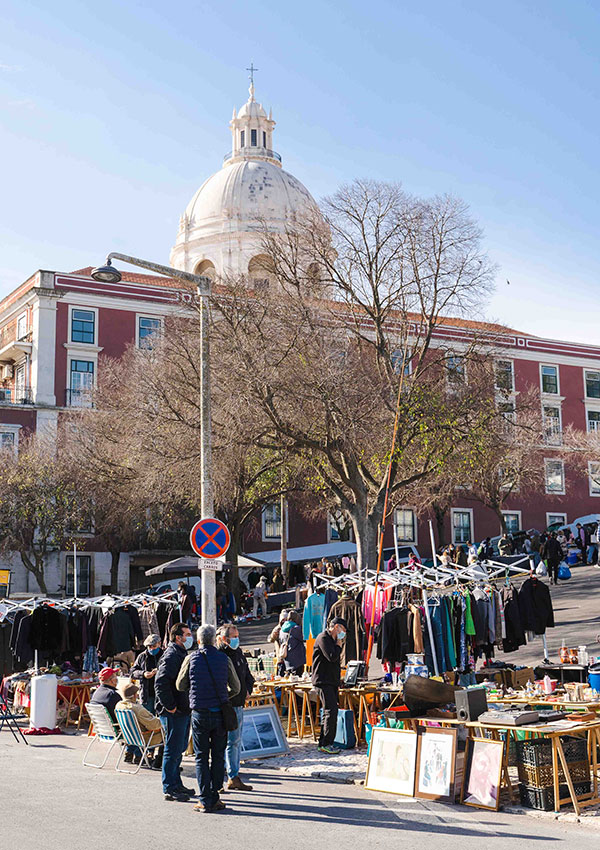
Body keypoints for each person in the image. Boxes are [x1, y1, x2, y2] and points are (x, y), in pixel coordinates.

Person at [176, 625, 240, 813]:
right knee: (218, 755)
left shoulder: (191, 658)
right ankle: (215, 796)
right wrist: (223, 695)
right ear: (214, 640)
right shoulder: (224, 658)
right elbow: (235, 687)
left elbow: (180, 685)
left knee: (201, 757)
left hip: (199, 713)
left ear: (198, 640)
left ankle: (204, 799)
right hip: (219, 712)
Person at [154, 622, 195, 802]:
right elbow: (161, 683)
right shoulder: (171, 655)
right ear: (178, 637)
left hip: (182, 709)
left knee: (179, 748)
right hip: (173, 711)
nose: (190, 637)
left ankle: (176, 783)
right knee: (172, 749)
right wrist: (170, 706)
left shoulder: (180, 653)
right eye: (187, 634)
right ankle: (169, 787)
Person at [217, 624, 255, 791]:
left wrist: (248, 689)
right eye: (233, 636)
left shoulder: (238, 653)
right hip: (226, 704)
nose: (236, 639)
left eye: (237, 636)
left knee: (235, 741)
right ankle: (225, 776)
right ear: (224, 639)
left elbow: (248, 675)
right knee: (226, 741)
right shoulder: (220, 655)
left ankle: (233, 775)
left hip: (239, 703)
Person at [311, 616, 347, 755]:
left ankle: (324, 742)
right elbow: (331, 656)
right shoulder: (323, 638)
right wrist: (338, 645)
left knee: (331, 711)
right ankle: (327, 743)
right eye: (342, 629)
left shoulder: (331, 639)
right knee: (330, 711)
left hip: (331, 680)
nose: (343, 633)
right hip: (323, 680)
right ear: (336, 627)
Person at [91, 667, 141, 764]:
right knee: (137, 724)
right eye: (115, 676)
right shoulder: (112, 694)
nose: (117, 678)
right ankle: (138, 755)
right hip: (115, 730)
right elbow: (124, 714)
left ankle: (130, 752)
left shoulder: (96, 693)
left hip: (102, 730)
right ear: (112, 680)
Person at [115, 680, 163, 761]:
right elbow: (154, 725)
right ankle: (155, 759)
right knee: (167, 730)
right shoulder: (137, 709)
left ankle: (129, 752)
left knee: (135, 729)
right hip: (143, 738)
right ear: (134, 695)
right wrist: (162, 720)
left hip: (129, 737)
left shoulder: (119, 705)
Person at [131, 633, 163, 713]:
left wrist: (159, 671)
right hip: (147, 694)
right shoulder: (142, 656)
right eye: (149, 647)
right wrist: (143, 674)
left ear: (159, 644)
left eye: (154, 646)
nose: (152, 649)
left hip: (162, 693)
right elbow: (133, 672)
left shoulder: (165, 655)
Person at [280, 610, 306, 675]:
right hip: (297, 660)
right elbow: (304, 638)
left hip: (287, 659)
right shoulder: (295, 628)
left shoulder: (282, 629)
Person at [268, 611, 289, 676]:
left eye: (286, 619)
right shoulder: (277, 628)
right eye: (283, 620)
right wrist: (273, 635)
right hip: (281, 657)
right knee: (281, 675)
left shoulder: (291, 627)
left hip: (290, 657)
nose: (284, 621)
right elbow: (270, 639)